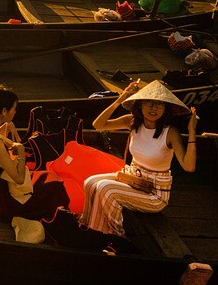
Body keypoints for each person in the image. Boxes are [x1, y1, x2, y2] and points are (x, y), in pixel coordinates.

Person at [80, 79, 198, 237]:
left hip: (154, 194)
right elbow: (98, 125)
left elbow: (188, 166)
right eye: (149, 103)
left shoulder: (170, 132)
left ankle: (115, 235)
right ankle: (89, 225)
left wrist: (192, 131)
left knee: (106, 188)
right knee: (90, 182)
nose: (154, 108)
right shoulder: (132, 122)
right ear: (140, 105)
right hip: (132, 178)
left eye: (159, 104)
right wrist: (121, 98)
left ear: (165, 109)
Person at [0, 85, 69, 227]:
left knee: (44, 178)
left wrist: (6, 125)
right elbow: (18, 178)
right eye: (14, 108)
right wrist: (22, 152)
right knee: (55, 185)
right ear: (4, 111)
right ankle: (58, 224)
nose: (15, 112)